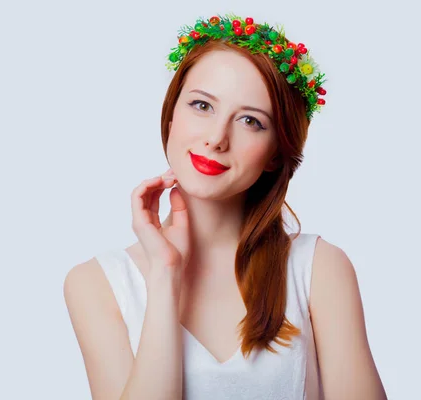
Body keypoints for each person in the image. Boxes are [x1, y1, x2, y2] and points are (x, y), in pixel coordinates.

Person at [64, 14, 387, 400]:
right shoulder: (96, 283)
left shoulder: (319, 270)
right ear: (171, 112)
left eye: (251, 121)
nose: (217, 138)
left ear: (275, 153)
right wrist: (166, 274)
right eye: (202, 105)